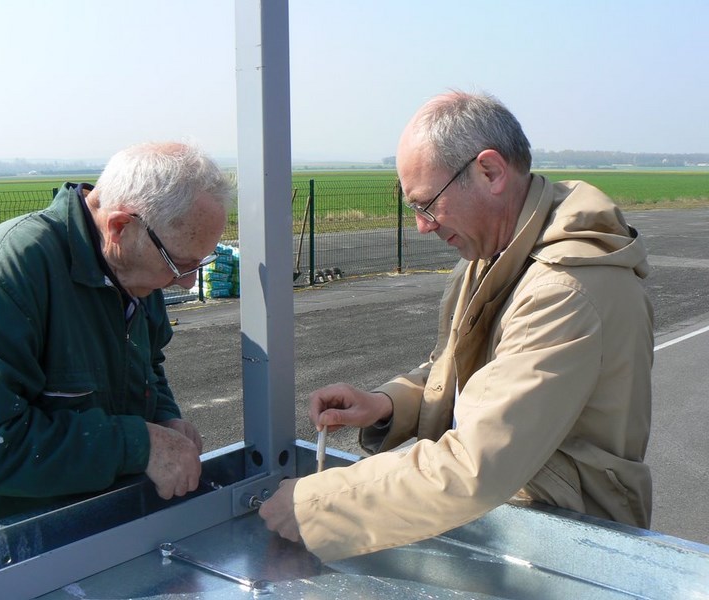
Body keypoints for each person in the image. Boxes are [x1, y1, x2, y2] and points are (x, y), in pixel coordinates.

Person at [259, 91, 654, 563]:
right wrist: (387, 404)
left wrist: (313, 505)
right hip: (520, 529)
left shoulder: (562, 288)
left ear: (490, 172)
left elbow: (476, 465)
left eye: (427, 204)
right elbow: (472, 377)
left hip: (570, 551)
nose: (422, 226)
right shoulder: (496, 253)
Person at [0, 142, 233, 545]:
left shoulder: (138, 269)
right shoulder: (4, 279)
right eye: (180, 264)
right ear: (119, 228)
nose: (186, 282)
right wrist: (138, 444)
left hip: (84, 533)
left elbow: (148, 363)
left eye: (199, 264)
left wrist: (165, 418)